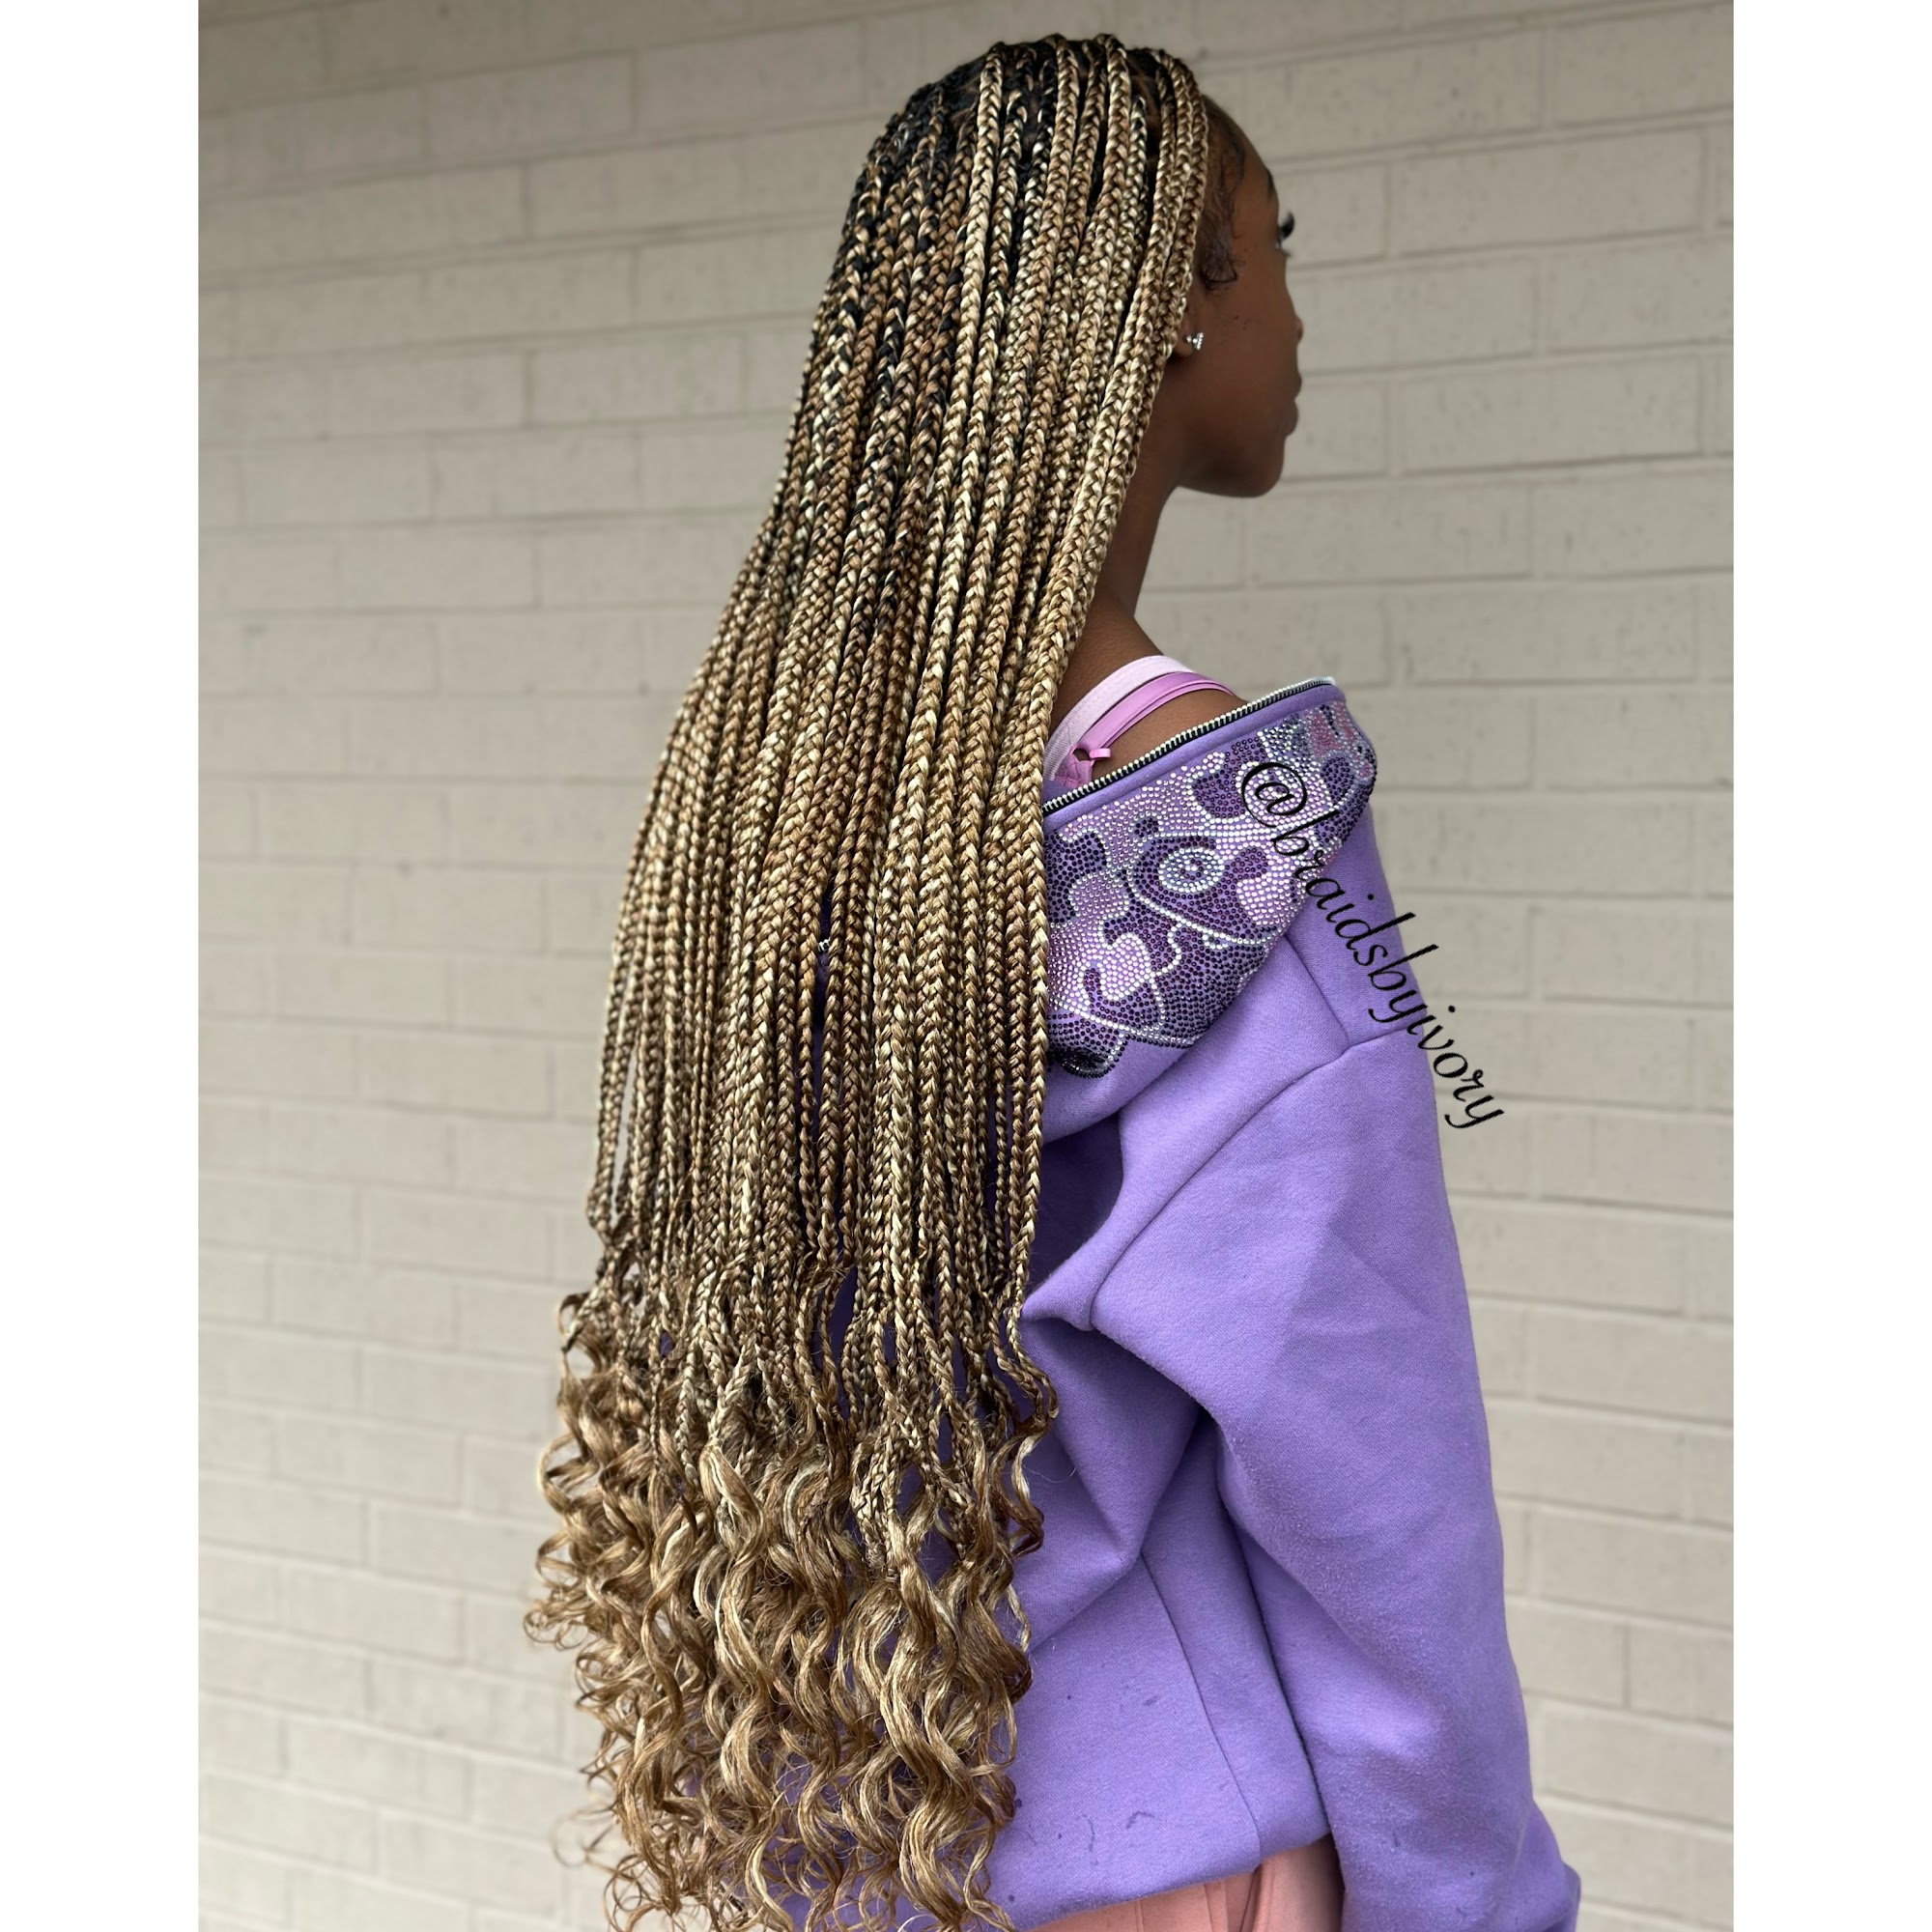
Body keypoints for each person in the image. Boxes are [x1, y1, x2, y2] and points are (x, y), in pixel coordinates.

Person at [526, 34, 1582, 1932]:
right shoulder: (1253, 836)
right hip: (1169, 1862)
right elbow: (1370, 1488)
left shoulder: (785, 827)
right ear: (1174, 307)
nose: (1295, 315)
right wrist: (1477, 1899)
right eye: (1275, 250)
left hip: (866, 1815)